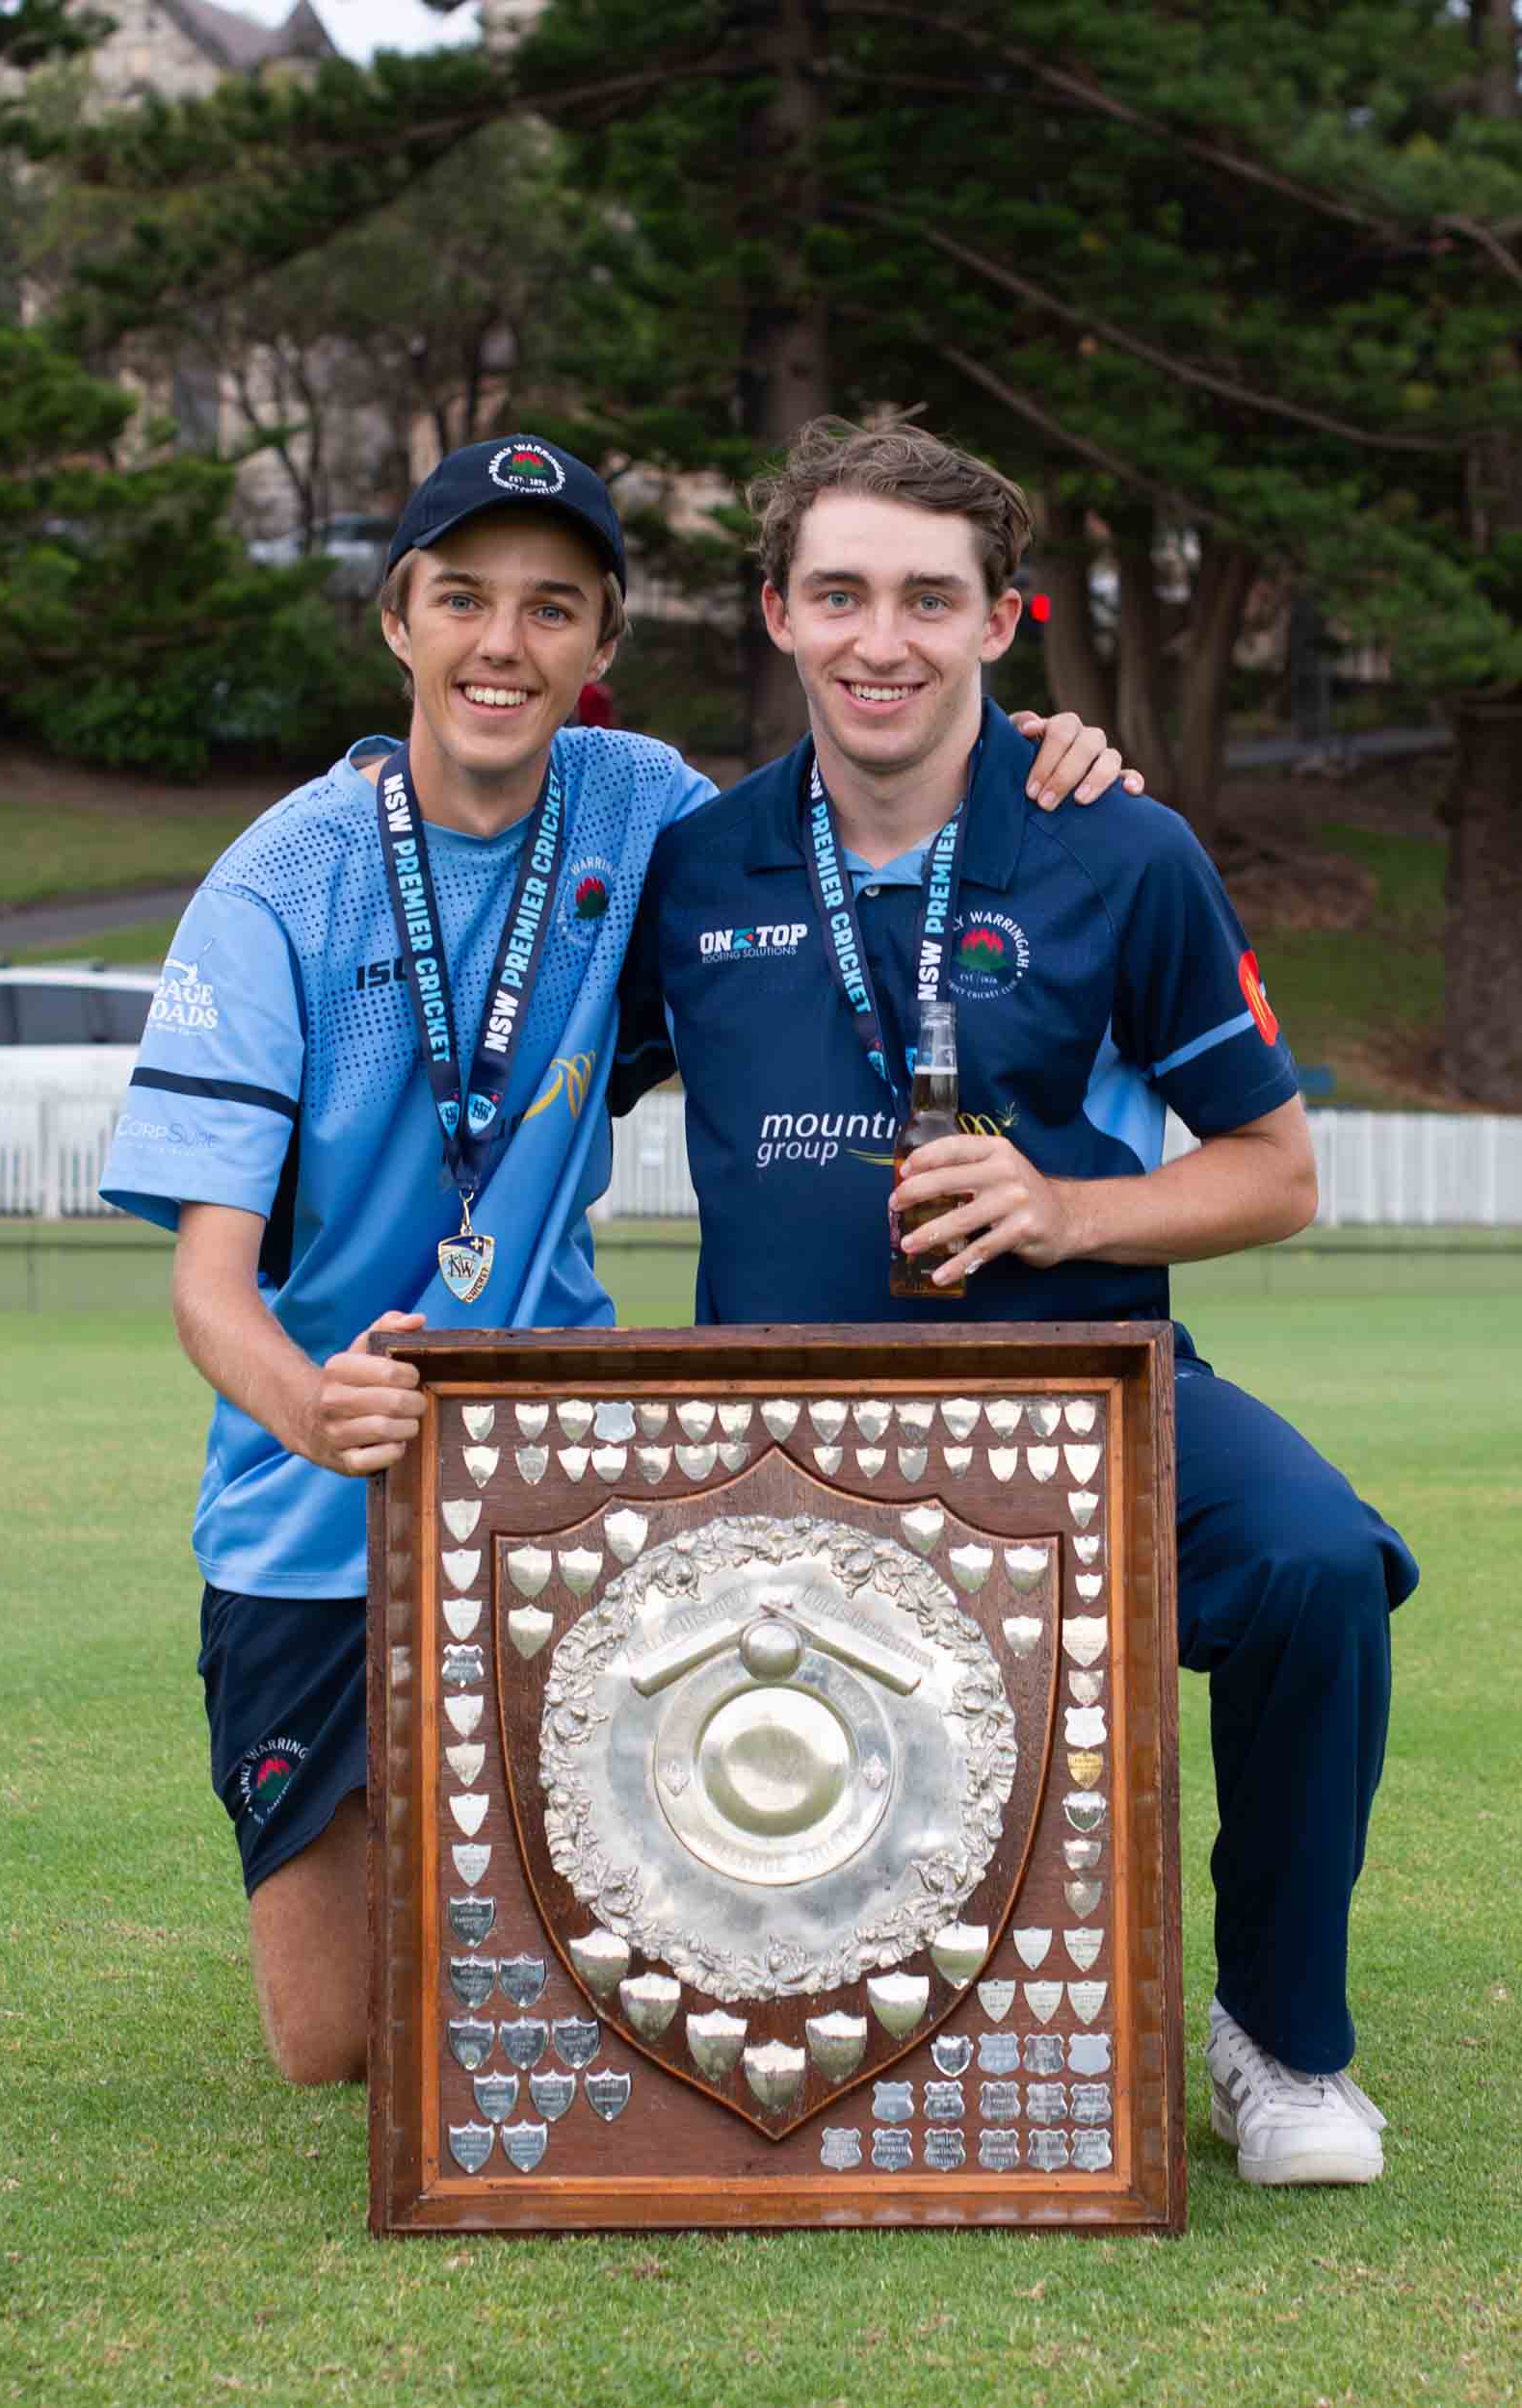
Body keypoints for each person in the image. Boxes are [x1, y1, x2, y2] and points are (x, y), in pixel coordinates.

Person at [98, 431, 1136, 2086]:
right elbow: (205, 1286)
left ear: (601, 642)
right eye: (463, 600)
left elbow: (871, 816)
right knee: (338, 2045)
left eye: (551, 607)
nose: (502, 644)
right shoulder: (277, 884)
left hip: (559, 1484)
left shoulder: (644, 808)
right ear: (397, 621)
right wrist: (310, 1410)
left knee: (624, 1968)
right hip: (316, 1504)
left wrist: (1031, 754)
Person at [617, 416, 1418, 2186]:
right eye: (840, 594)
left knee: (1311, 1565)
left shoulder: (1117, 846)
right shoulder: (699, 865)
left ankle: (1282, 2042)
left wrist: (1065, 1210)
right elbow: (551, 1094)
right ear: (778, 612)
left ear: (1000, 620)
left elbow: (1277, 1171)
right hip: (772, 1432)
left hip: (1076, 1391)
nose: (881, 639)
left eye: (929, 598)